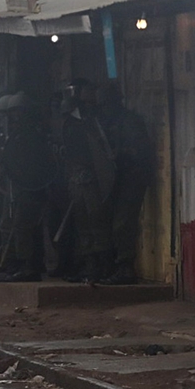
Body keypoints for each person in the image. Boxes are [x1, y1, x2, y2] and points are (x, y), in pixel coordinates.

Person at [53, 79, 116, 283]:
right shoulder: (71, 126)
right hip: (76, 181)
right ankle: (90, 266)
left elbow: (101, 156)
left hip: (91, 181)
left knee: (97, 224)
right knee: (83, 227)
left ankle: (103, 267)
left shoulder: (90, 124)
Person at [0, 93, 58, 282]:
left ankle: (29, 266)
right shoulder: (17, 135)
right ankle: (22, 263)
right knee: (20, 226)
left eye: (17, 113)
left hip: (30, 188)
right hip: (20, 187)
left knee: (24, 227)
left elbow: (32, 164)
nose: (14, 118)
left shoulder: (31, 136)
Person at [98, 81, 154, 285]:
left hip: (132, 177)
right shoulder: (108, 122)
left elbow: (138, 150)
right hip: (116, 178)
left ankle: (125, 267)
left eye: (106, 104)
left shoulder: (129, 121)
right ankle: (113, 264)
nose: (104, 109)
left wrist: (119, 154)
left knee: (123, 222)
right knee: (112, 222)